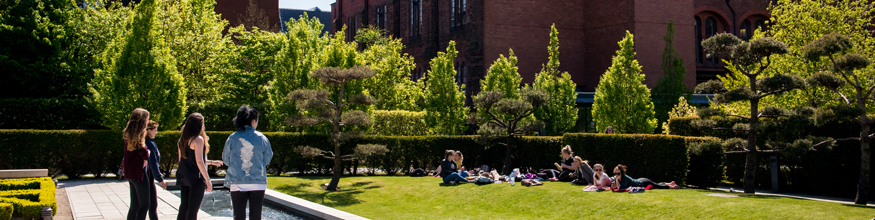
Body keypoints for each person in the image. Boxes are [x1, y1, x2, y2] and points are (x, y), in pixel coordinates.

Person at [223, 105, 273, 220]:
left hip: (237, 181)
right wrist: (257, 164)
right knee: (256, 216)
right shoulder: (262, 138)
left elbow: (226, 159)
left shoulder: (232, 138)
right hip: (258, 181)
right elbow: (268, 157)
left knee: (238, 216)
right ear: (253, 121)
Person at [177, 113, 224, 220]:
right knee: (193, 210)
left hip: (183, 175)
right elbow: (199, 161)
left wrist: (211, 162)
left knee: (184, 207)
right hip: (195, 178)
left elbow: (183, 160)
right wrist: (208, 180)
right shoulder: (198, 140)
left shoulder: (181, 140)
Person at [123, 108, 151, 220]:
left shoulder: (129, 134)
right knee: (145, 205)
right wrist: (147, 153)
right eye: (147, 119)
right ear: (142, 121)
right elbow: (144, 152)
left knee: (134, 205)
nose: (148, 122)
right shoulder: (138, 136)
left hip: (131, 174)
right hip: (139, 173)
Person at [145, 120, 166, 220]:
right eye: (155, 130)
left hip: (145, 177)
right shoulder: (150, 144)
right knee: (152, 205)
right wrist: (160, 180)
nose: (156, 132)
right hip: (148, 177)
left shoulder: (146, 142)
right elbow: (153, 164)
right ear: (149, 130)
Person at [611, 164, 679, 190]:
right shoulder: (619, 178)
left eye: (618, 173)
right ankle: (669, 183)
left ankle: (672, 187)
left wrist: (616, 180)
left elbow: (621, 189)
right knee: (656, 183)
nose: (616, 175)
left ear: (621, 173)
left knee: (657, 186)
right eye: (615, 173)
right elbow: (613, 187)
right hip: (639, 180)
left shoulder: (624, 178)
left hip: (642, 183)